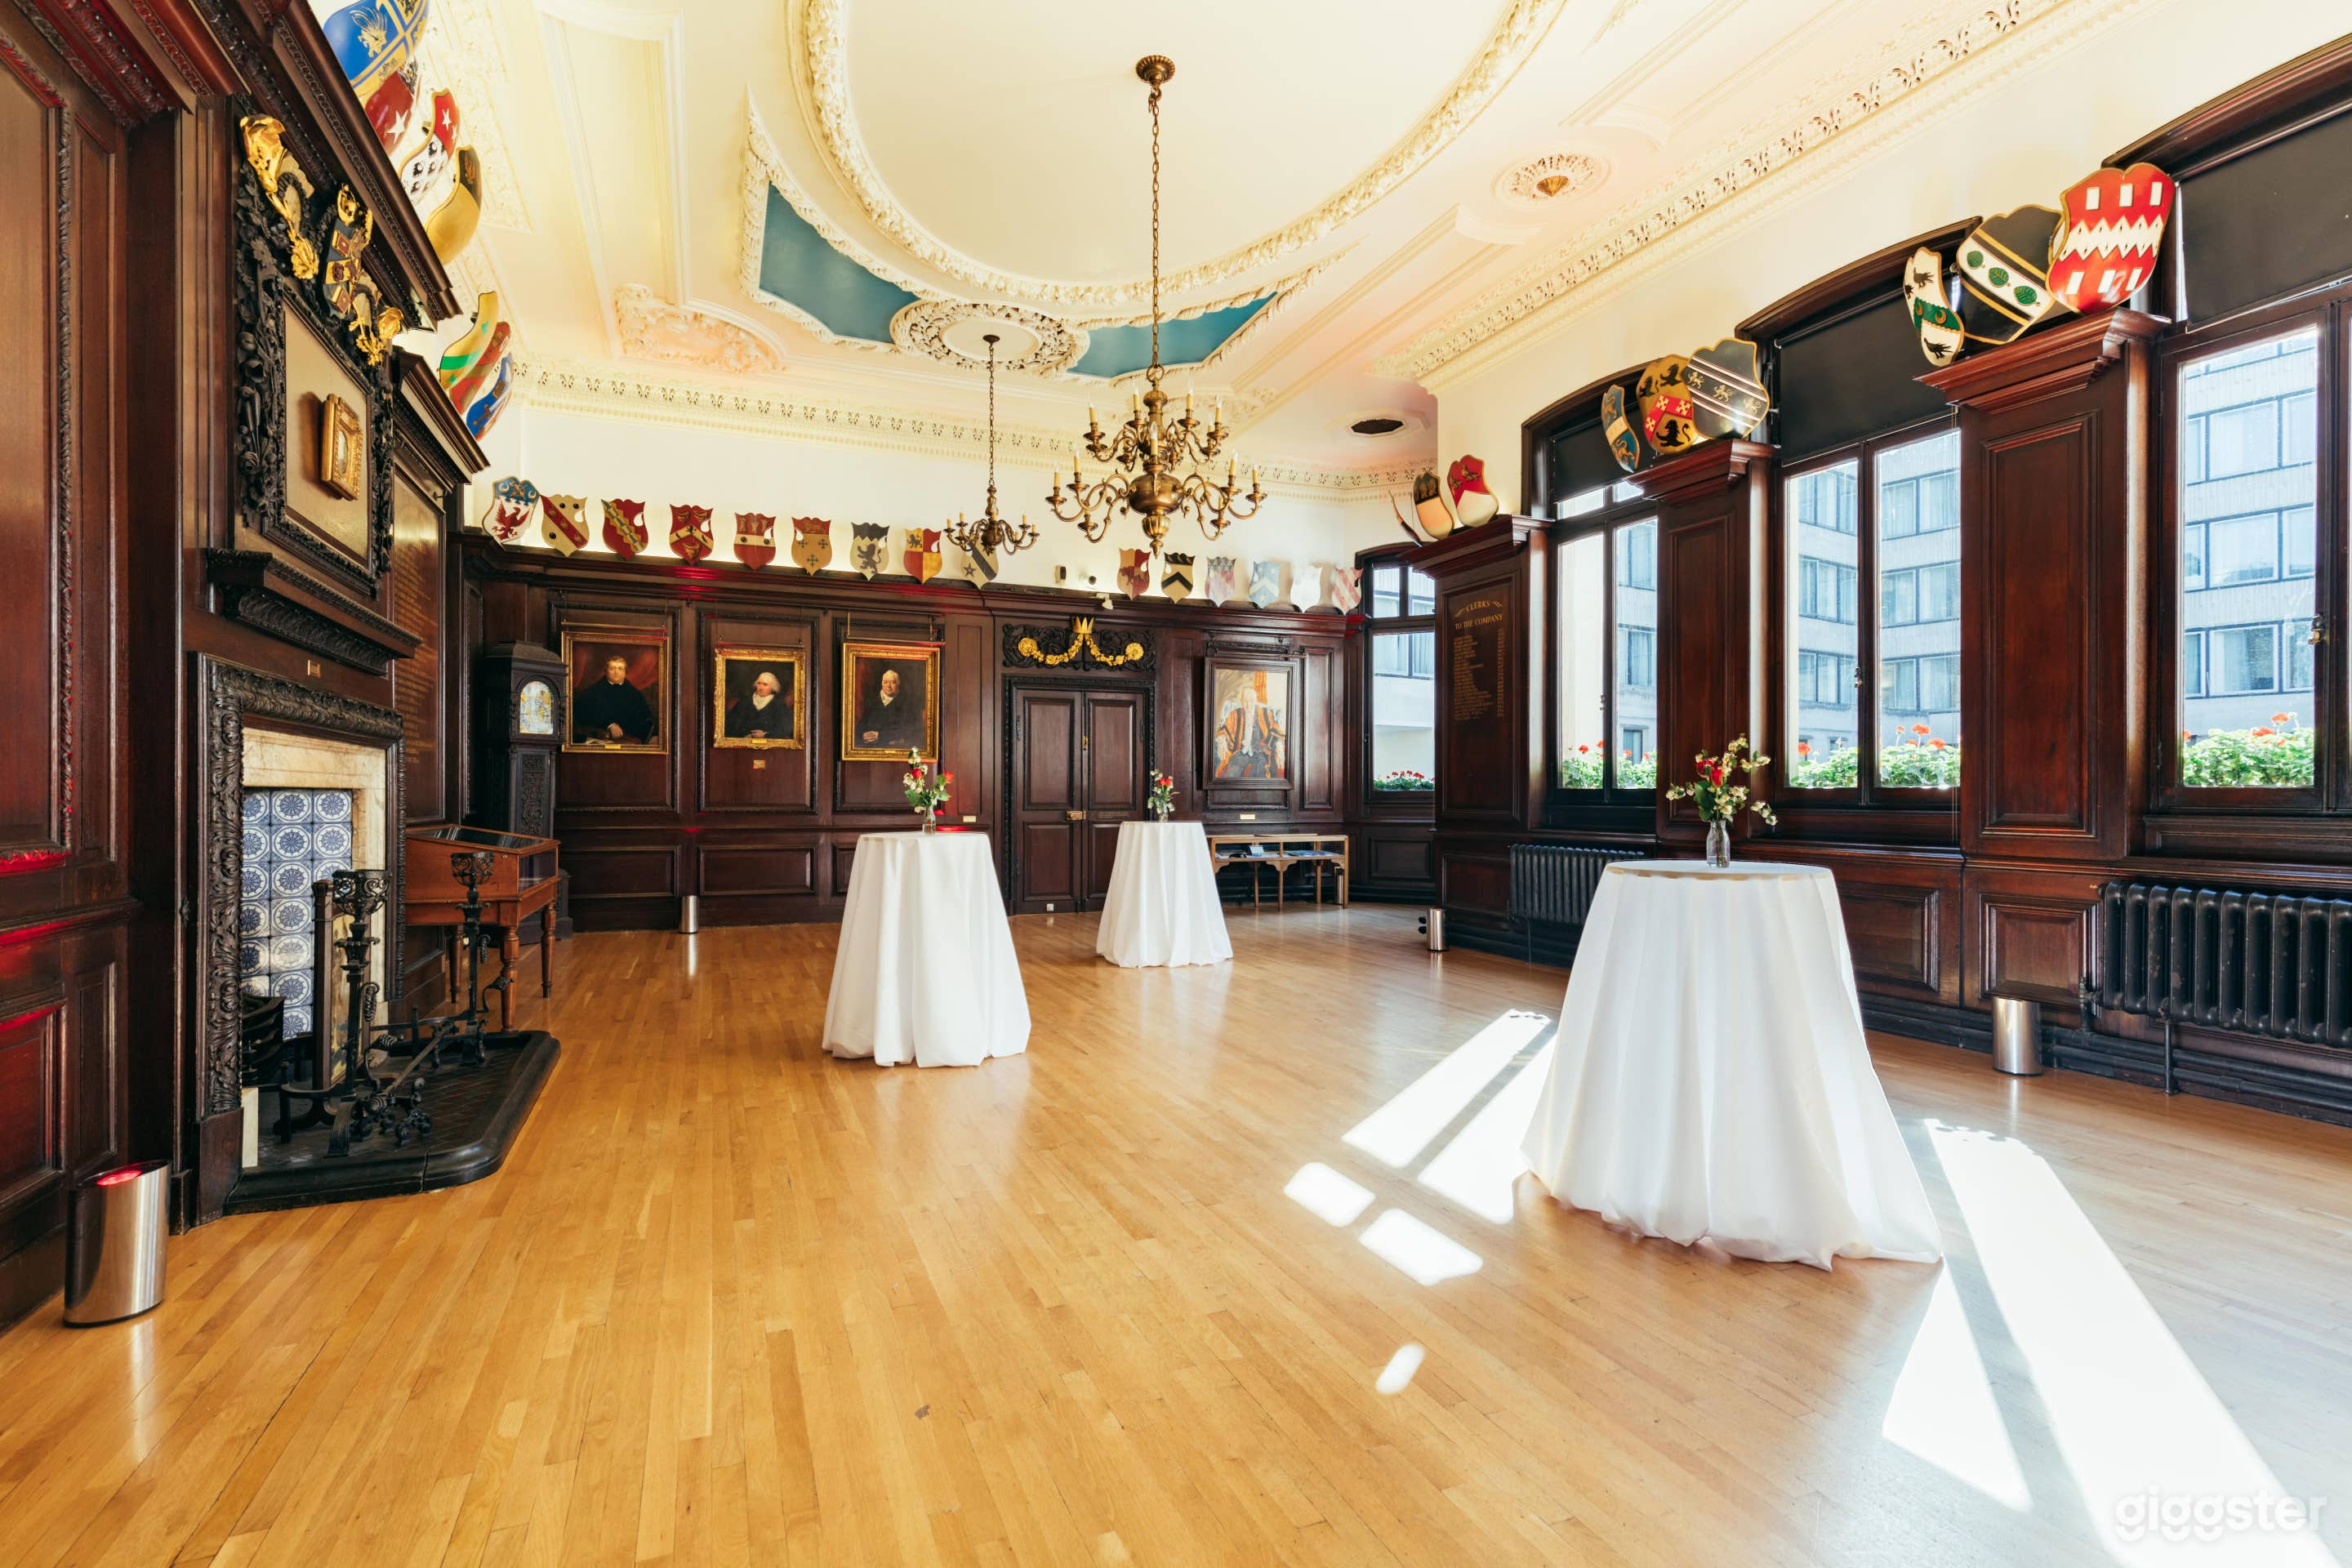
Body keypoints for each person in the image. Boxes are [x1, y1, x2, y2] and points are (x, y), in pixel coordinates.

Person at [1214, 672, 1284, 780]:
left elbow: (1275, 729)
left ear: (1255, 701)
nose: (1248, 704)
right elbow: (1225, 728)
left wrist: (1279, 745)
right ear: (1241, 701)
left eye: (1251, 701)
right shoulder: (1235, 714)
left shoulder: (1265, 714)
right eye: (1245, 701)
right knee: (1232, 773)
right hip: (1240, 752)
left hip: (1260, 753)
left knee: (1258, 774)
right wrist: (1222, 739)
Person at [573, 653, 657, 744]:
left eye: (620, 669)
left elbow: (646, 716)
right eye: (612, 668)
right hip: (603, 736)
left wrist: (654, 735)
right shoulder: (593, 691)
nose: (616, 672)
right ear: (606, 671)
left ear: (625, 672)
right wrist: (609, 724)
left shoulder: (635, 693)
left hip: (632, 737)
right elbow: (583, 713)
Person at [857, 665, 924, 751]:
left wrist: (880, 736)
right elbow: (861, 725)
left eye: (892, 682)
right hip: (871, 746)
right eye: (885, 682)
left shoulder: (907, 703)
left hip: (895, 747)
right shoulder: (872, 701)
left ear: (898, 684)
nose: (889, 686)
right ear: (882, 684)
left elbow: (908, 729)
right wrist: (862, 735)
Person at [725, 668, 792, 741]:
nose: (760, 687)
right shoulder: (745, 702)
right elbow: (731, 724)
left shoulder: (779, 704)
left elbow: (785, 728)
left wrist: (765, 735)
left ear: (773, 687)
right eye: (759, 683)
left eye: (765, 684)